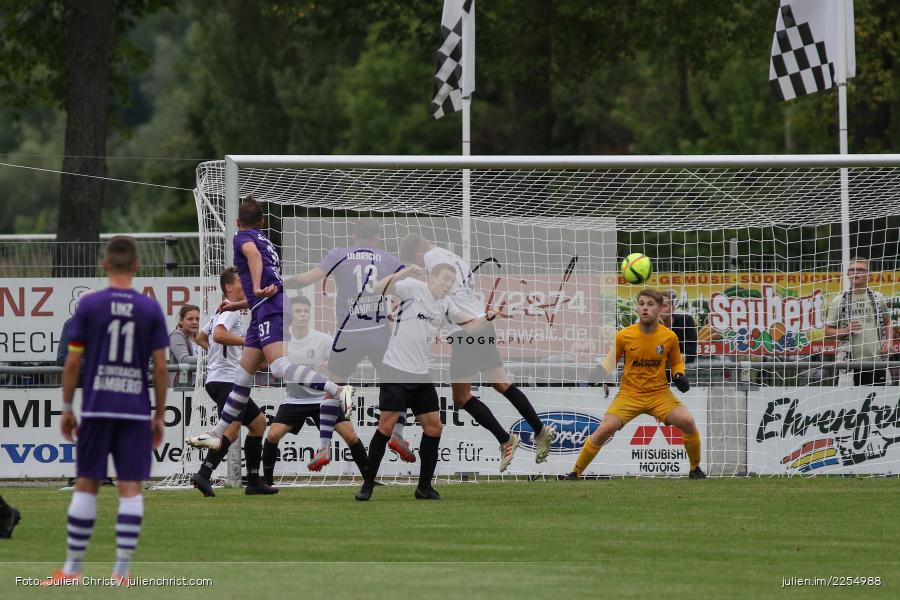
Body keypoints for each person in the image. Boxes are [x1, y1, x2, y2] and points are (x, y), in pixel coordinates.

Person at [43, 236, 169, 585]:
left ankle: (72, 569)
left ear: (104, 266)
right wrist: (158, 414)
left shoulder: (90, 305)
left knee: (86, 485)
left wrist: (68, 406)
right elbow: (160, 368)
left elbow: (72, 361)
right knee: (130, 488)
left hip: (97, 407)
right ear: (136, 267)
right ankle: (122, 571)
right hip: (134, 410)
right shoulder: (149, 309)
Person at [186, 197, 352, 452]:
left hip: (269, 309)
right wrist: (238, 304)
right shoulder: (268, 242)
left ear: (237, 222)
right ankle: (217, 433)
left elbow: (253, 257)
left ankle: (336, 389)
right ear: (262, 221)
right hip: (261, 309)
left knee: (278, 366)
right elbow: (271, 280)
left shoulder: (243, 238)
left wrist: (253, 287)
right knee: (241, 377)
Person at [397, 234, 556, 472]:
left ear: (418, 255)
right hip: (482, 323)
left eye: (417, 263)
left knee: (461, 397)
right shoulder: (454, 257)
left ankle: (506, 440)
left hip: (466, 332)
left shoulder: (431, 260)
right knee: (501, 383)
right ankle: (540, 430)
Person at [355, 263, 492, 501]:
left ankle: (424, 488)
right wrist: (405, 271)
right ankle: (367, 485)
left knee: (434, 427)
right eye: (444, 279)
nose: (447, 284)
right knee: (386, 427)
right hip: (395, 369)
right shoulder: (412, 287)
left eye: (451, 281)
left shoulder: (446, 303)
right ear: (431, 277)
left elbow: (468, 324)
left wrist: (486, 318)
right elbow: (377, 288)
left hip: (420, 374)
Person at [286, 220, 414, 470]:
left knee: (334, 389)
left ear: (354, 236)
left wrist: (280, 283)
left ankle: (323, 447)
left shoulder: (339, 255)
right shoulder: (387, 258)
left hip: (348, 335)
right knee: (398, 385)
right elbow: (410, 291)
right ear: (377, 236)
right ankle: (397, 435)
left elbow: (307, 279)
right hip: (379, 334)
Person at [565, 288, 706, 480]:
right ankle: (575, 473)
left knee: (688, 422)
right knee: (604, 429)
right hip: (630, 394)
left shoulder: (669, 337)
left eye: (650, 304)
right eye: (641, 304)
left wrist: (679, 374)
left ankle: (695, 469)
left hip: (659, 394)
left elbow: (676, 361)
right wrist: (599, 371)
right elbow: (611, 360)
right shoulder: (624, 335)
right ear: (637, 309)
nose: (645, 308)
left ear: (659, 309)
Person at [262, 295, 372, 483]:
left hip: (324, 399)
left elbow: (344, 364)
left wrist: (330, 364)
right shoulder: (282, 341)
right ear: (290, 315)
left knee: (351, 436)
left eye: (306, 311)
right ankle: (268, 482)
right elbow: (269, 365)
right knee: (272, 435)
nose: (303, 315)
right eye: (298, 311)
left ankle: (370, 479)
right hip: (294, 401)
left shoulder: (323, 340)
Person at [190, 268, 276, 496]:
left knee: (258, 423)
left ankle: (254, 481)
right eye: (240, 281)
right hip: (226, 381)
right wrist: (248, 344)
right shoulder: (232, 310)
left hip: (220, 378)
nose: (244, 284)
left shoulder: (220, 312)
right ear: (228, 286)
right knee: (233, 429)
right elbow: (218, 335)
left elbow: (201, 337)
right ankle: (204, 473)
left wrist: (225, 357)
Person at [825, 257, 893, 386]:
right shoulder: (838, 301)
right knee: (847, 404)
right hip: (848, 365)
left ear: (869, 275)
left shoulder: (878, 298)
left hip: (876, 361)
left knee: (878, 404)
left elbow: (888, 322)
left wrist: (889, 342)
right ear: (847, 274)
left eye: (860, 270)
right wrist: (845, 330)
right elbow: (828, 332)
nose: (855, 273)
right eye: (852, 270)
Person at [660, 290, 697, 364]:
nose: (659, 309)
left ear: (672, 309)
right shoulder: (647, 325)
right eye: (656, 306)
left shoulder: (685, 321)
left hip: (679, 368)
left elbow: (690, 355)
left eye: (663, 306)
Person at [169, 304, 201, 388]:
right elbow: (184, 359)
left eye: (197, 319)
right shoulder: (177, 335)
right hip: (183, 388)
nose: (195, 322)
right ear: (181, 320)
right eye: (190, 319)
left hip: (200, 386)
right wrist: (211, 359)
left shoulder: (199, 336)